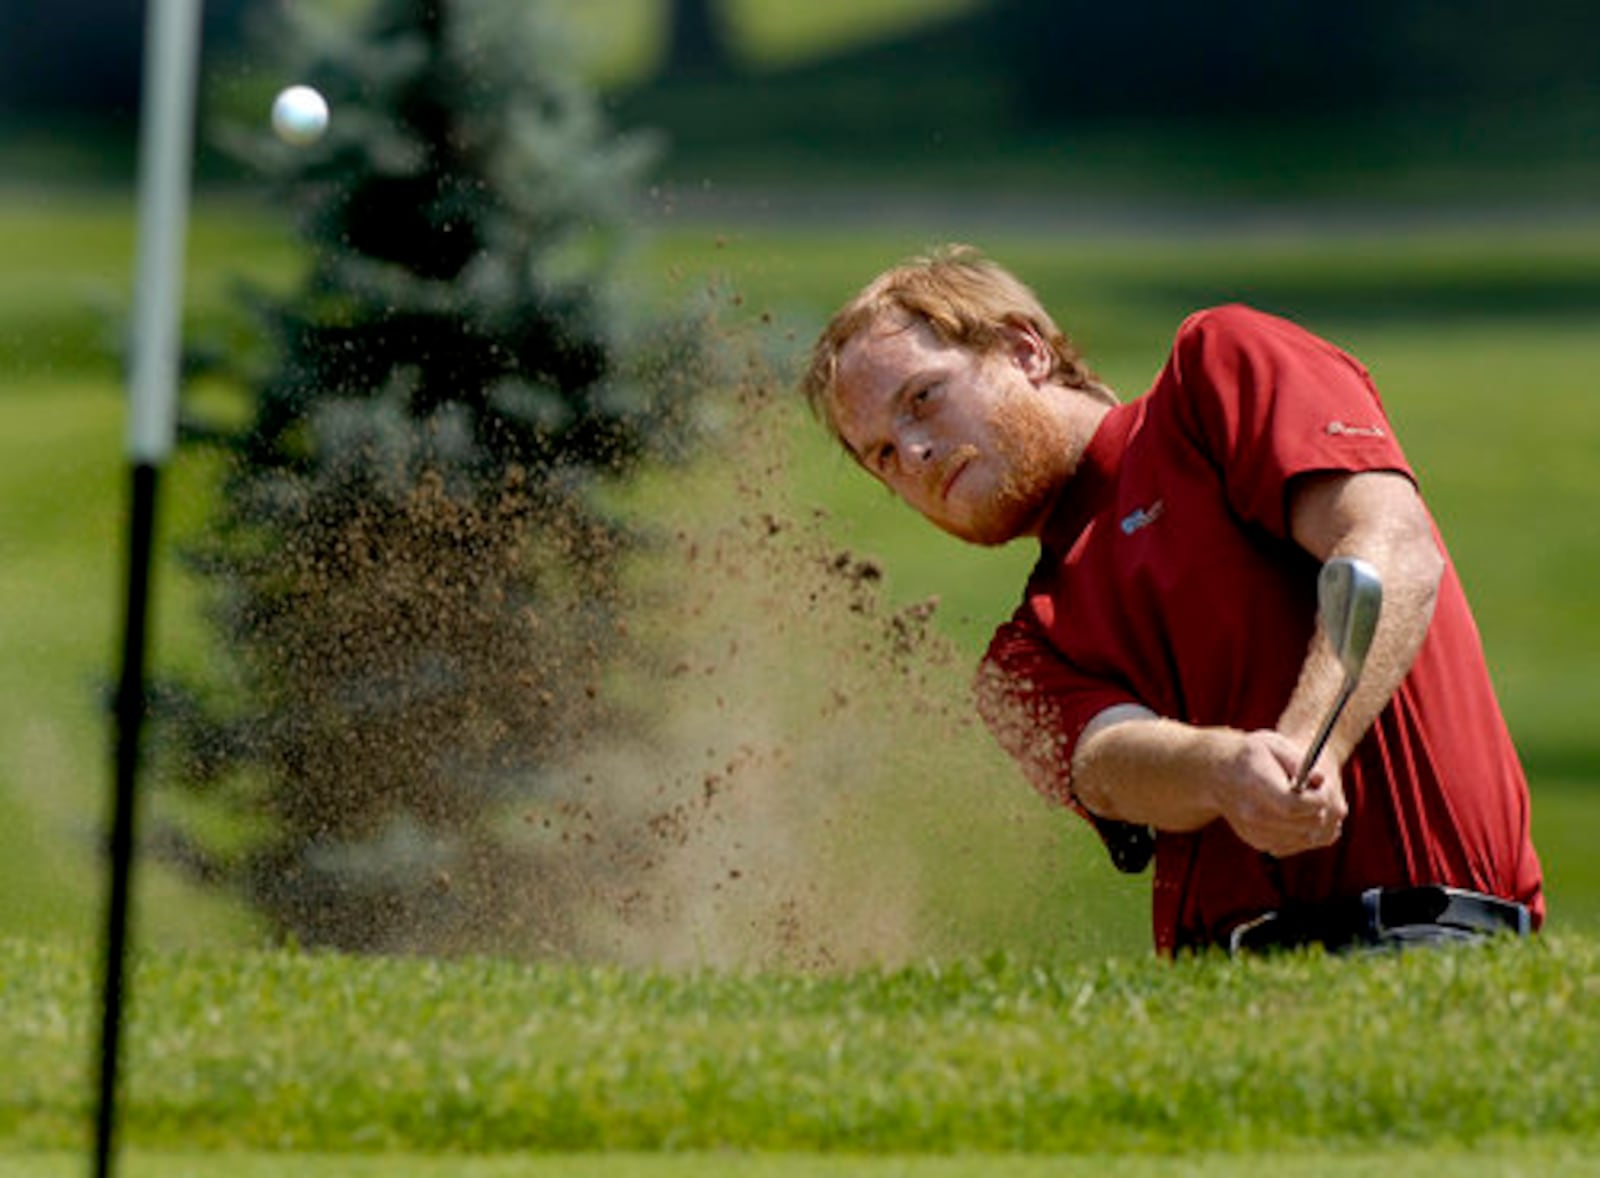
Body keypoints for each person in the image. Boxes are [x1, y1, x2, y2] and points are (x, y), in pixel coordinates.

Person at [800, 244, 1544, 955]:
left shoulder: (1214, 374)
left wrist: (1312, 745)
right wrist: (1229, 770)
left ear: (1025, 349)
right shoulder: (1022, 655)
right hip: (1218, 998)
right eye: (885, 456)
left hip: (1421, 941)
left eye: (923, 400)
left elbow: (1391, 545)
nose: (918, 457)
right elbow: (1109, 765)